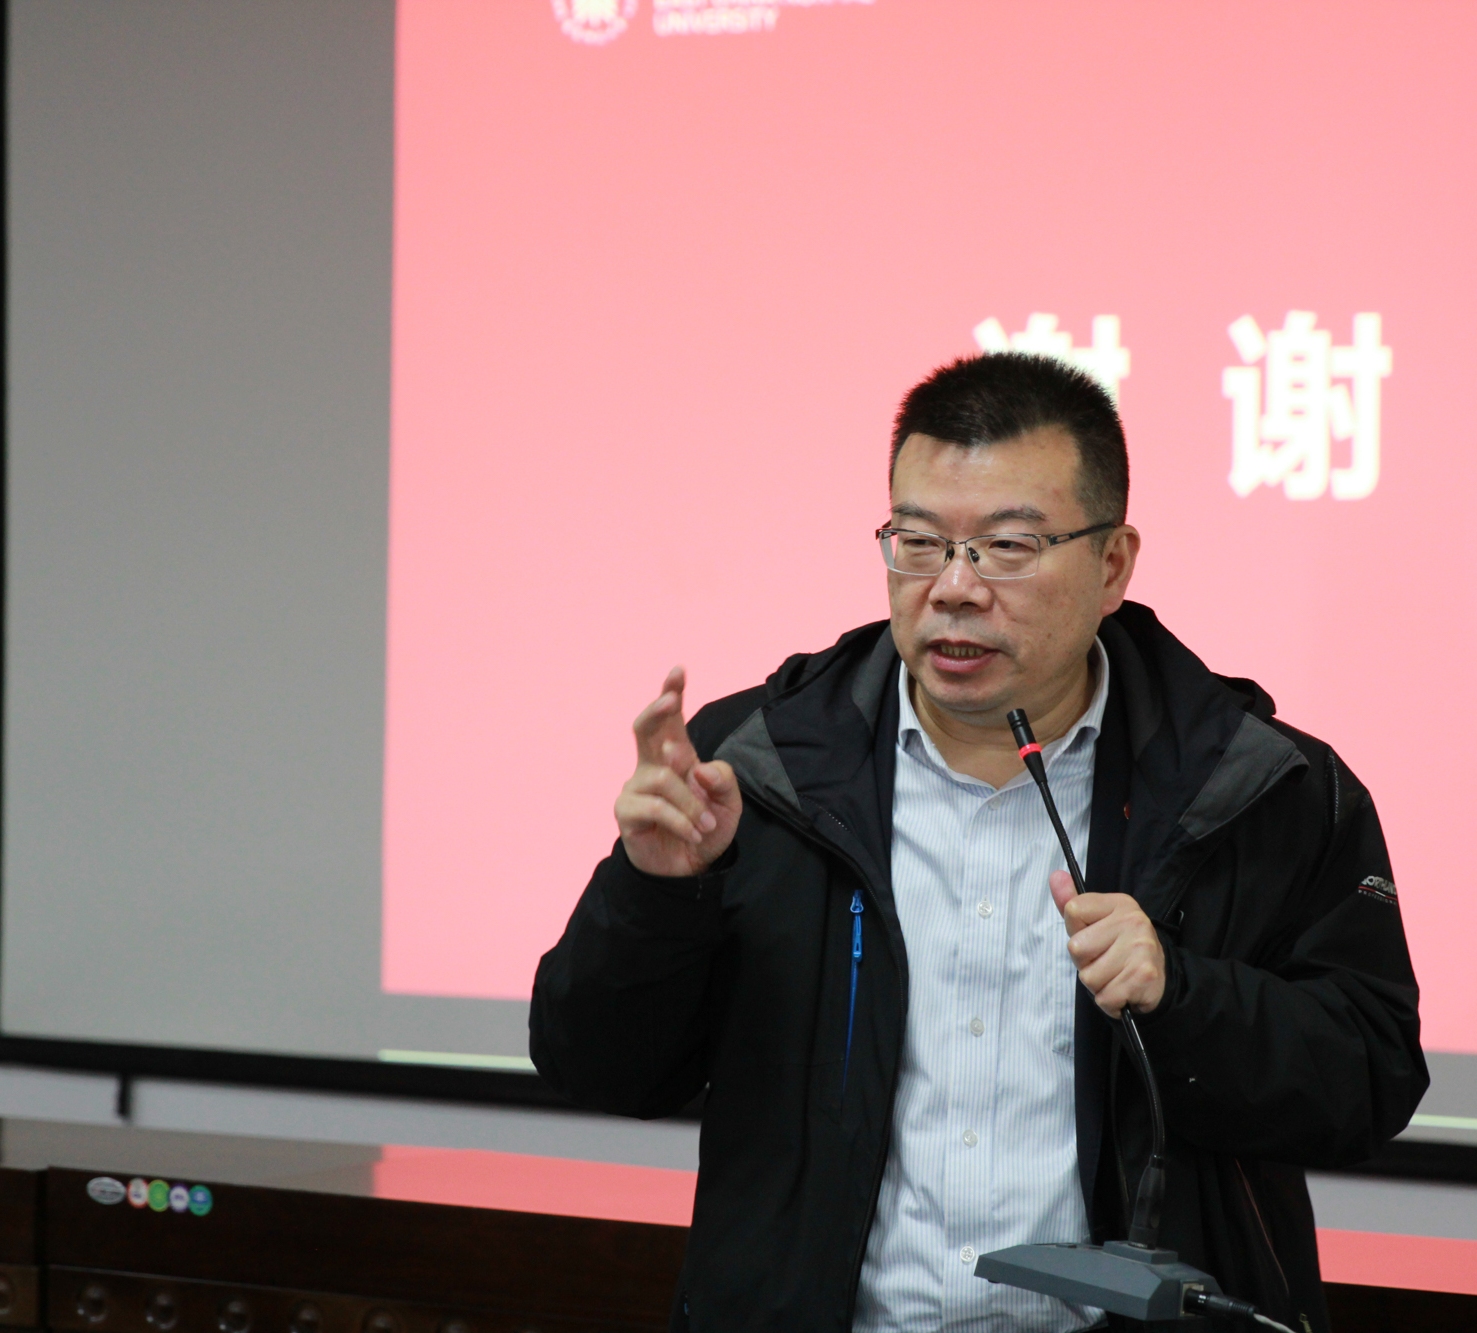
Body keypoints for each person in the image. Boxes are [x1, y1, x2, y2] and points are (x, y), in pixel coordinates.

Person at [531, 353, 1427, 1333]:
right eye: (918, 543)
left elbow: (1368, 1081)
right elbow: (602, 1069)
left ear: (1112, 565)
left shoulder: (1256, 787)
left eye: (1006, 547)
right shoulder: (755, 770)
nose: (953, 588)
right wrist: (657, 894)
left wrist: (1182, 994)